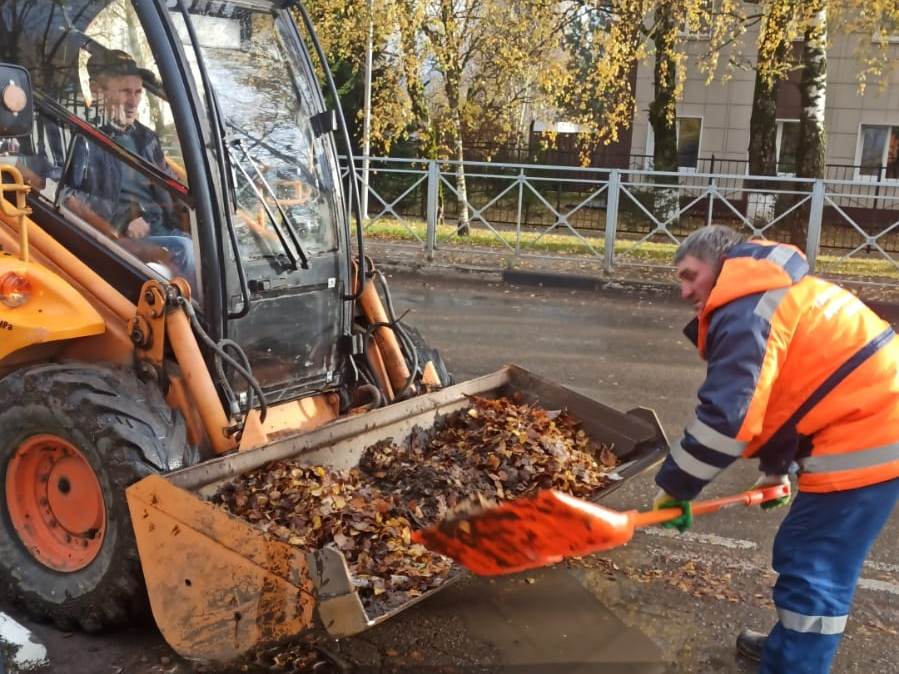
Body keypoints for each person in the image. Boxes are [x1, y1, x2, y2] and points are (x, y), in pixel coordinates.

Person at [651, 224, 899, 673]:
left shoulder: (745, 310)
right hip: (876, 421)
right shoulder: (772, 291)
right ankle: (790, 648)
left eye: (690, 276)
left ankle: (795, 664)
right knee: (808, 557)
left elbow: (727, 421)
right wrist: (775, 467)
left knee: (812, 568)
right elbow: (788, 394)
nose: (685, 291)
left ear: (721, 265)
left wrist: (675, 487)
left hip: (869, 436)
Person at [68, 49, 196, 289]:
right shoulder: (81, 137)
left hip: (157, 230)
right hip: (113, 237)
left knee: (213, 247)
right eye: (125, 91)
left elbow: (171, 188)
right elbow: (67, 196)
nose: (134, 102)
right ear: (96, 91)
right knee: (185, 249)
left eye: (138, 92)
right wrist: (124, 217)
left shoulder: (147, 139)